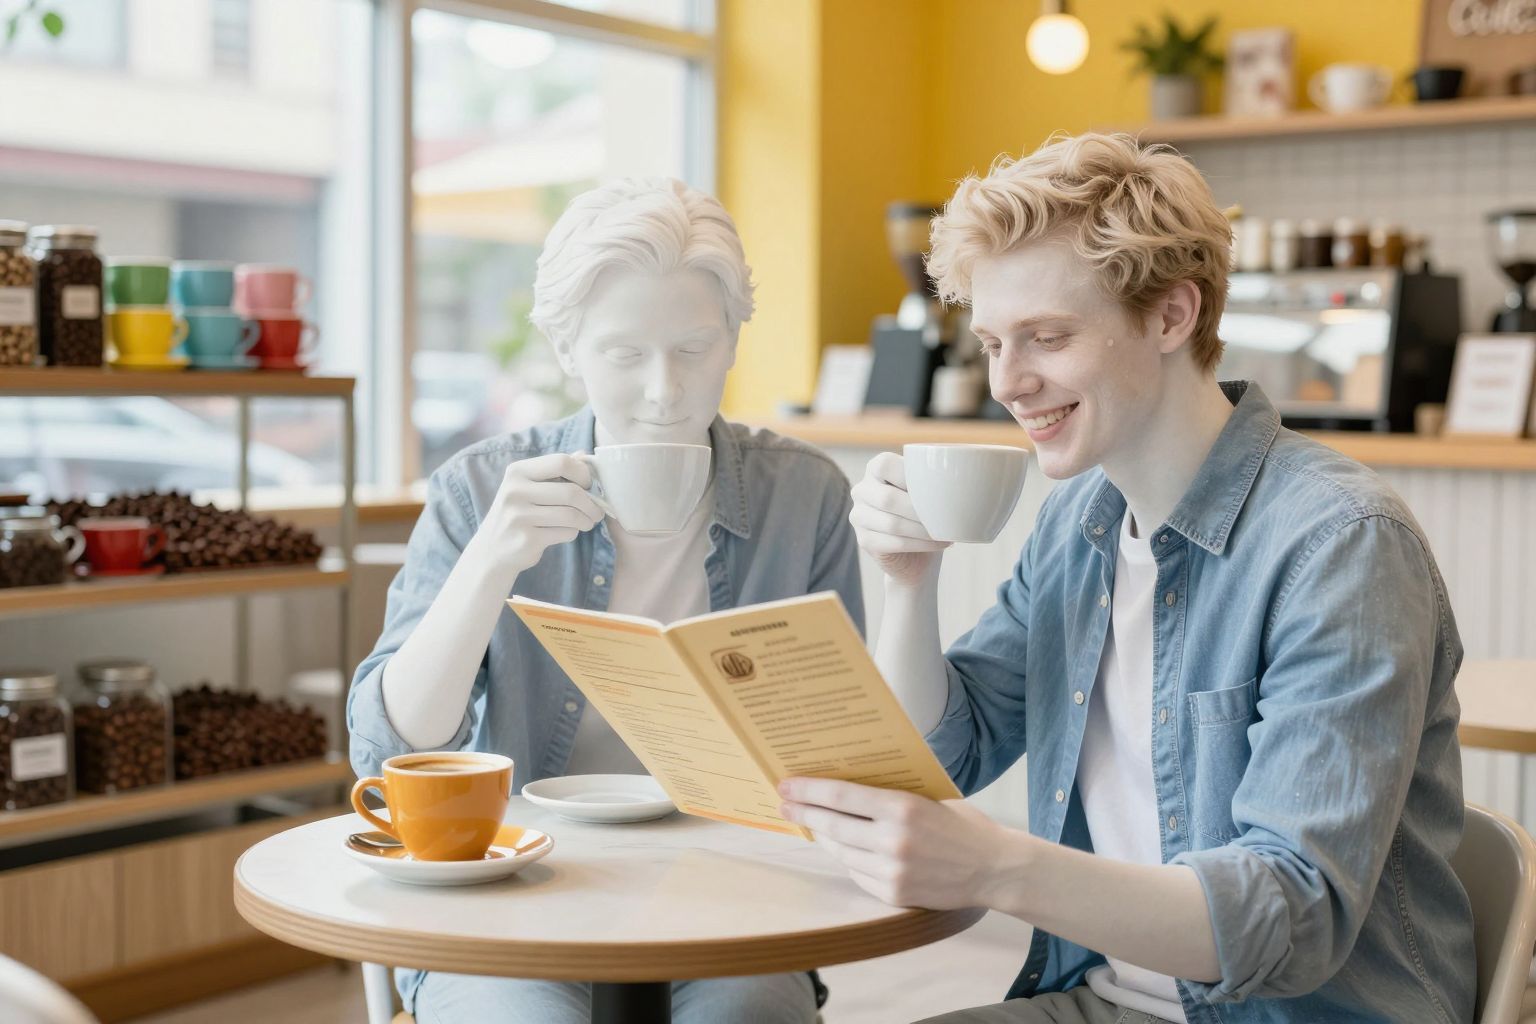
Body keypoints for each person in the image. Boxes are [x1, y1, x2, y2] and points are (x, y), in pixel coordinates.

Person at [777, 132, 1474, 1023]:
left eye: (1048, 337)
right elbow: (946, 753)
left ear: (1172, 317)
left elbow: (1292, 916)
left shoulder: (1339, 545)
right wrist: (907, 582)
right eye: (992, 341)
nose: (1008, 382)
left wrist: (997, 866)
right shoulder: (1082, 522)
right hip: (1107, 1000)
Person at [349, 178, 862, 1023]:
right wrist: (491, 562)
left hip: (735, 889)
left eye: (693, 350)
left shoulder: (802, 497)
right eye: (625, 356)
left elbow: (832, 753)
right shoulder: (479, 490)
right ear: (565, 349)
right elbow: (389, 750)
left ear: (734, 339)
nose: (664, 391)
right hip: (513, 890)